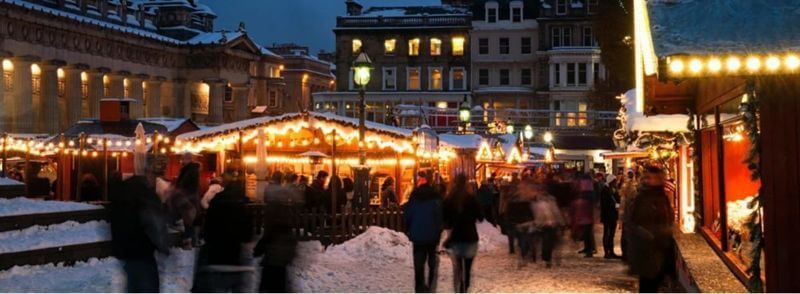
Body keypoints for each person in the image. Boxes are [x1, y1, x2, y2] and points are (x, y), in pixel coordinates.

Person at [109, 157, 169, 293]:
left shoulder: (122, 191)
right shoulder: (146, 194)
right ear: (148, 173)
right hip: (142, 252)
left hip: (126, 252)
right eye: (155, 175)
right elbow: (154, 223)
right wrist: (163, 245)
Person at [192, 172, 255, 293]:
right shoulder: (243, 207)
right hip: (235, 260)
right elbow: (247, 235)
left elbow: (206, 230)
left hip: (214, 258)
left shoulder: (216, 202)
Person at [628, 166, 675, 292]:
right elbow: (633, 222)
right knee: (648, 285)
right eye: (653, 177)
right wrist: (649, 235)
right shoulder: (642, 197)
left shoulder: (663, 196)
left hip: (662, 250)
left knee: (655, 284)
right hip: (647, 251)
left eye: (659, 177)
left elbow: (668, 218)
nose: (657, 180)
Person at [254, 173, 303, 293]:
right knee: (280, 281)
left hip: (273, 254)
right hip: (282, 253)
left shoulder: (272, 207)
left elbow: (270, 231)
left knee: (270, 283)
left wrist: (260, 246)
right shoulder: (285, 208)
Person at [442, 174, 483, 293]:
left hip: (456, 237)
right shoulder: (471, 198)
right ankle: (465, 287)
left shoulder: (450, 198)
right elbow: (480, 217)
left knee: (458, 266)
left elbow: (445, 218)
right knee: (468, 268)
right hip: (470, 237)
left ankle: (459, 288)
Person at [403, 173, 443, 293]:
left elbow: (407, 215)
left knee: (419, 263)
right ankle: (431, 285)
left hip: (418, 235)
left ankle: (419, 287)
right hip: (432, 236)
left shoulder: (414, 198)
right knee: (432, 261)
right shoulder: (436, 198)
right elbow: (439, 217)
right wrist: (438, 230)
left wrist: (408, 229)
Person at [531, 190, 564, 268]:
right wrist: (561, 222)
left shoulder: (536, 204)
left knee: (544, 242)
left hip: (542, 225)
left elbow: (536, 215)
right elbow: (556, 213)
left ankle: (545, 258)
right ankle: (547, 259)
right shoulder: (551, 203)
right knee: (549, 243)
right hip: (550, 225)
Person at [599, 174, 621, 259]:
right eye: (614, 181)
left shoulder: (613, 190)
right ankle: (606, 252)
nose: (615, 183)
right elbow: (604, 204)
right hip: (607, 215)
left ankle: (611, 251)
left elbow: (617, 199)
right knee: (607, 233)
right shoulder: (605, 190)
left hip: (613, 215)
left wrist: (617, 204)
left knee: (612, 234)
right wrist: (614, 205)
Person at [619, 170, 638, 260]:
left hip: (626, 216)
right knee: (628, 236)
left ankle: (625, 254)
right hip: (629, 216)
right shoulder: (633, 187)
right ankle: (627, 254)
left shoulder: (625, 186)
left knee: (625, 236)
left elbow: (622, 201)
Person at [571, 190, 596, 258]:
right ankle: (588, 249)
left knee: (587, 237)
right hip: (585, 220)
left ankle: (589, 251)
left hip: (586, 221)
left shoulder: (583, 202)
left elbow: (580, 212)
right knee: (586, 236)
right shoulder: (585, 202)